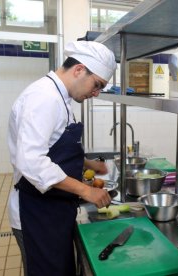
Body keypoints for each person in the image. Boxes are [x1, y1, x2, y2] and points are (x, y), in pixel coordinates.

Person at [7, 41, 117, 276]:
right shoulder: (44, 98)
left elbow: (53, 145)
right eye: (96, 85)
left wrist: (87, 163)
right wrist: (86, 191)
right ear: (79, 70)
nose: (96, 93)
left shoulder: (61, 97)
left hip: (53, 210)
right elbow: (32, 161)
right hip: (36, 213)